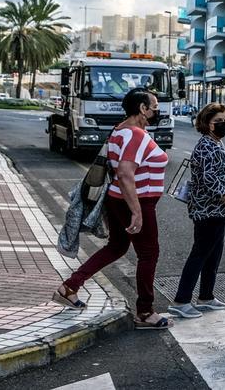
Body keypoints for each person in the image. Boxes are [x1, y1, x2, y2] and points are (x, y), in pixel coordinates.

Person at [54, 88, 172, 330]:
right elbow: (126, 174)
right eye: (155, 106)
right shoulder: (135, 135)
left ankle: (70, 286)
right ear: (142, 108)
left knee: (117, 247)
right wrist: (137, 211)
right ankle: (145, 311)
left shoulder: (120, 130)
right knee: (149, 254)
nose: (157, 110)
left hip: (118, 199)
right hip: (135, 201)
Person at [168, 103, 225, 319]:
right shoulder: (206, 146)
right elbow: (210, 180)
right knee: (200, 254)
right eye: (219, 121)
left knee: (213, 254)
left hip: (216, 210)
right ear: (207, 124)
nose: (224, 124)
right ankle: (181, 301)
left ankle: (206, 297)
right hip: (207, 210)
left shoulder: (215, 143)